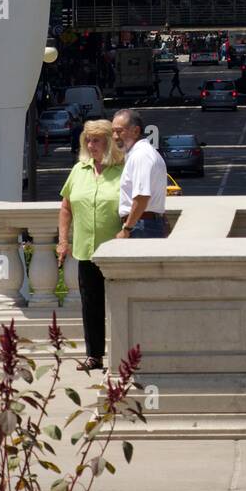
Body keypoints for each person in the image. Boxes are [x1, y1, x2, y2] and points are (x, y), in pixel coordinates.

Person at [57, 119, 124, 372]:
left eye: (96, 140)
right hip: (86, 250)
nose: (91, 144)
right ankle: (94, 355)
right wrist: (63, 241)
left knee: (118, 304)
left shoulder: (123, 170)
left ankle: (121, 356)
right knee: (91, 304)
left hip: (116, 252)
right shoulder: (79, 170)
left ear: (108, 143)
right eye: (88, 140)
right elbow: (66, 207)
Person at [112, 109, 168, 239]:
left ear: (136, 131)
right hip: (144, 224)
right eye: (112, 131)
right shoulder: (142, 153)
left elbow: (142, 196)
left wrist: (127, 228)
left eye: (119, 131)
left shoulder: (141, 156)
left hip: (141, 226)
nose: (115, 136)